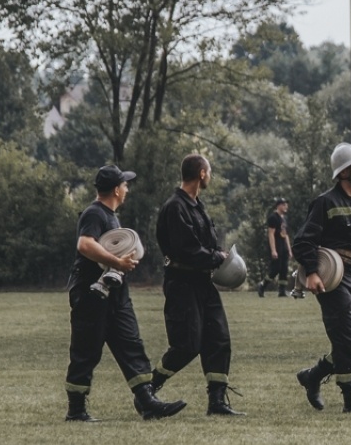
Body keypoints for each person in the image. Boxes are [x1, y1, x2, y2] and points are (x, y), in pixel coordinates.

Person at [64, 164, 185, 422]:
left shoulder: (110, 216)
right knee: (87, 350)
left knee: (131, 344)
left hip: (115, 294)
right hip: (90, 293)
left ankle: (147, 401)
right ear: (117, 189)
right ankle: (76, 410)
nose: (127, 189)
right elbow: (85, 244)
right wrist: (118, 263)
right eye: (125, 185)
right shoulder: (94, 213)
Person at [294, 142, 351, 414]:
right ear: (343, 171)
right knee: (346, 340)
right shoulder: (324, 202)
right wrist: (311, 271)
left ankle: (313, 375)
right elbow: (302, 242)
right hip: (334, 281)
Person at [151, 153, 243, 415]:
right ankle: (148, 389)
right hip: (182, 282)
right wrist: (217, 257)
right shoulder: (175, 207)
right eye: (210, 171)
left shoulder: (196, 205)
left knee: (219, 339)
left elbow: (206, 244)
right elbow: (186, 249)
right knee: (187, 344)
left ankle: (217, 403)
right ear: (202, 173)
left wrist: (219, 254)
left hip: (203, 282)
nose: (210, 176)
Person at [257, 197, 292, 298]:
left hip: (283, 246)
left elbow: (286, 234)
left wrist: (289, 249)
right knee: (275, 269)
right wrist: (273, 250)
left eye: (286, 204)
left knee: (284, 269)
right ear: (279, 205)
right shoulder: (273, 217)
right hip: (276, 246)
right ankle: (262, 285)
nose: (286, 206)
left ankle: (282, 291)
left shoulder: (284, 218)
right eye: (284, 204)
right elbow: (271, 234)